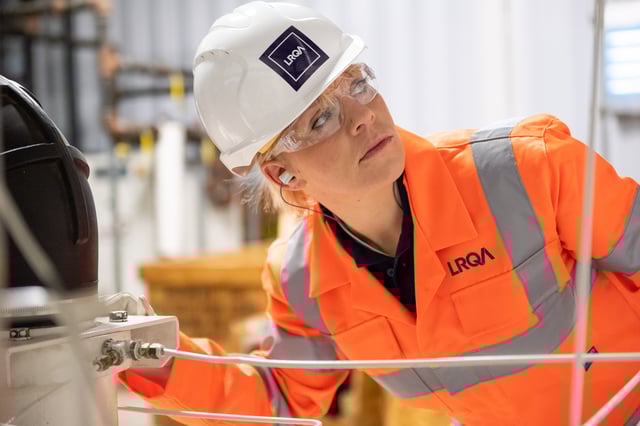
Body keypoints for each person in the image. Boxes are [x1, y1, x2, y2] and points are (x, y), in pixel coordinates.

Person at [121, 1, 640, 425]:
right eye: (321, 118)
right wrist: (158, 358)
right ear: (283, 174)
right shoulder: (303, 277)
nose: (363, 116)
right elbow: (280, 398)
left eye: (358, 84)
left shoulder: (528, 172)